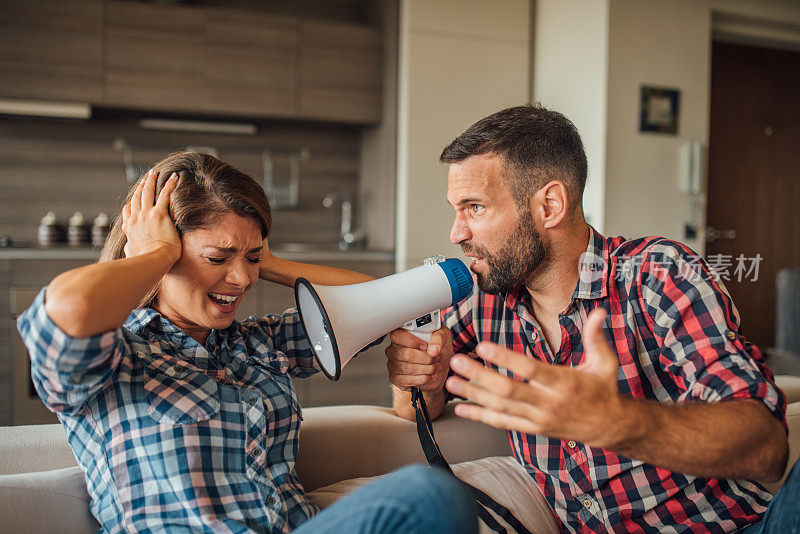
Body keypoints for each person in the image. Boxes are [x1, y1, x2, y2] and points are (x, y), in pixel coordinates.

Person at [387, 104, 799, 532]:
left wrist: (617, 423)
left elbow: (767, 448)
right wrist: (423, 380)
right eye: (457, 210)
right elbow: (411, 406)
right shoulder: (481, 298)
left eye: (475, 207)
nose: (456, 233)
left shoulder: (659, 273)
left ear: (550, 205)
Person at [17, 152, 477, 534]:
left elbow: (380, 300)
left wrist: (268, 260)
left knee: (430, 497)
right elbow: (70, 308)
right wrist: (155, 255)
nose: (241, 280)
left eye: (251, 258)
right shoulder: (116, 356)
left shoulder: (258, 344)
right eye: (216, 258)